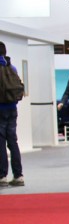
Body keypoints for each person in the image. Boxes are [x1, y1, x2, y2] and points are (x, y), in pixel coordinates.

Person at [0, 47, 24, 187]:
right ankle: (18, 175)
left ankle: (2, 176)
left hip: (0, 109)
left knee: (1, 143)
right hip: (12, 109)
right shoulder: (12, 67)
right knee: (13, 142)